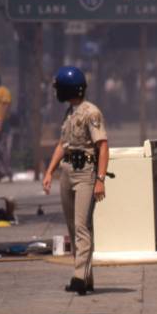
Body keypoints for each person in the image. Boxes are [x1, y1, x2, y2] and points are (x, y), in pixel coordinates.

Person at [42, 66, 109, 295]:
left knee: (82, 226)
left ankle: (79, 276)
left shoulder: (92, 113)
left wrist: (100, 179)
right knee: (73, 227)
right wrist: (50, 171)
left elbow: (103, 146)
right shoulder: (69, 112)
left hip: (85, 173)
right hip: (67, 172)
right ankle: (86, 277)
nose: (57, 92)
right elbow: (63, 144)